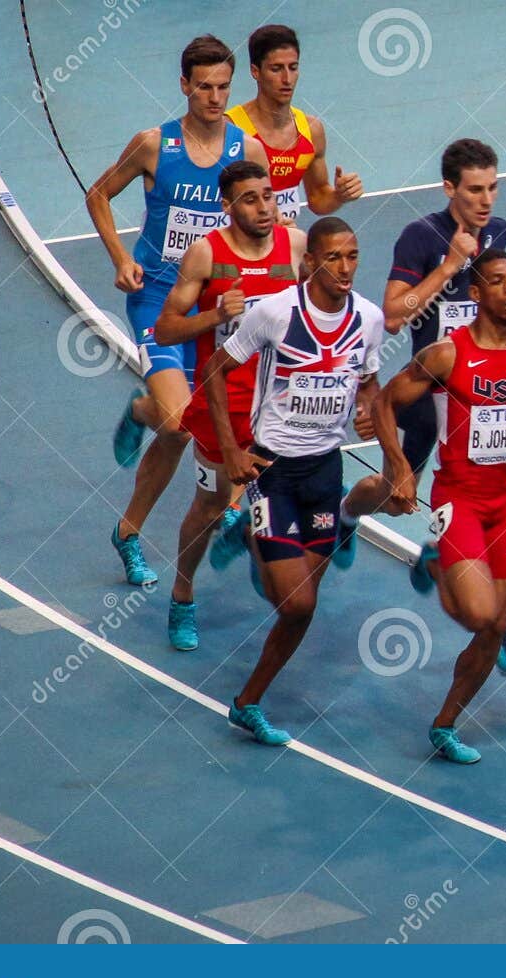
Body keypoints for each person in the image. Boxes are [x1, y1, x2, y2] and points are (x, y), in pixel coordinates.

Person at [374, 250, 506, 764]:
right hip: (460, 498)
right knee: (479, 615)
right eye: (499, 282)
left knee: (495, 626)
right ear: (476, 293)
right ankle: (438, 561)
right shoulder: (448, 354)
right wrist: (399, 465)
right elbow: (384, 401)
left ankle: (445, 723)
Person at [339, 138, 506, 674]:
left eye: (493, 187)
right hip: (428, 392)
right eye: (475, 189)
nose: (486, 199)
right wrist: (448, 268)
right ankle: (347, 514)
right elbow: (395, 314)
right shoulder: (420, 237)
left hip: (476, 397)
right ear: (449, 189)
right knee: (396, 496)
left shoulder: (499, 233)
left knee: (495, 497)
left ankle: (495, 627)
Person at [84, 35, 265, 588]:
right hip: (157, 299)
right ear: (184, 86)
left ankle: (131, 532)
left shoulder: (247, 151)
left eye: (223, 87)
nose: (214, 97)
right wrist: (120, 258)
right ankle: (146, 412)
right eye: (204, 86)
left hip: (216, 307)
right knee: (176, 425)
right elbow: (98, 195)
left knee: (234, 424)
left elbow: (266, 225)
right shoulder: (154, 145)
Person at [201, 217, 385, 745]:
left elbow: (370, 384)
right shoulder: (276, 312)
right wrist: (232, 450)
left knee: (300, 605)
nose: (345, 267)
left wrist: (370, 413)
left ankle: (247, 703)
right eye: (334, 258)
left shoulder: (368, 320)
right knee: (299, 604)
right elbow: (216, 370)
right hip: (272, 470)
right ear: (310, 265)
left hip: (327, 469)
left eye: (352, 256)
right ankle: (257, 537)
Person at [151, 160, 307, 650]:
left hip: (281, 407)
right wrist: (217, 315)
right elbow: (166, 329)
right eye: (251, 199)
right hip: (223, 405)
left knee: (288, 501)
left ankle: (269, 559)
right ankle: (182, 592)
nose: (265, 206)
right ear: (227, 205)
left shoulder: (295, 245)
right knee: (212, 504)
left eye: (268, 195)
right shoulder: (205, 254)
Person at [225, 24, 363, 225]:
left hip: (284, 245)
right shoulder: (230, 129)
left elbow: (317, 198)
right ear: (255, 71)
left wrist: (339, 196)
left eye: (293, 67)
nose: (287, 79)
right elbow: (214, 201)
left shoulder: (311, 130)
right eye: (276, 69)